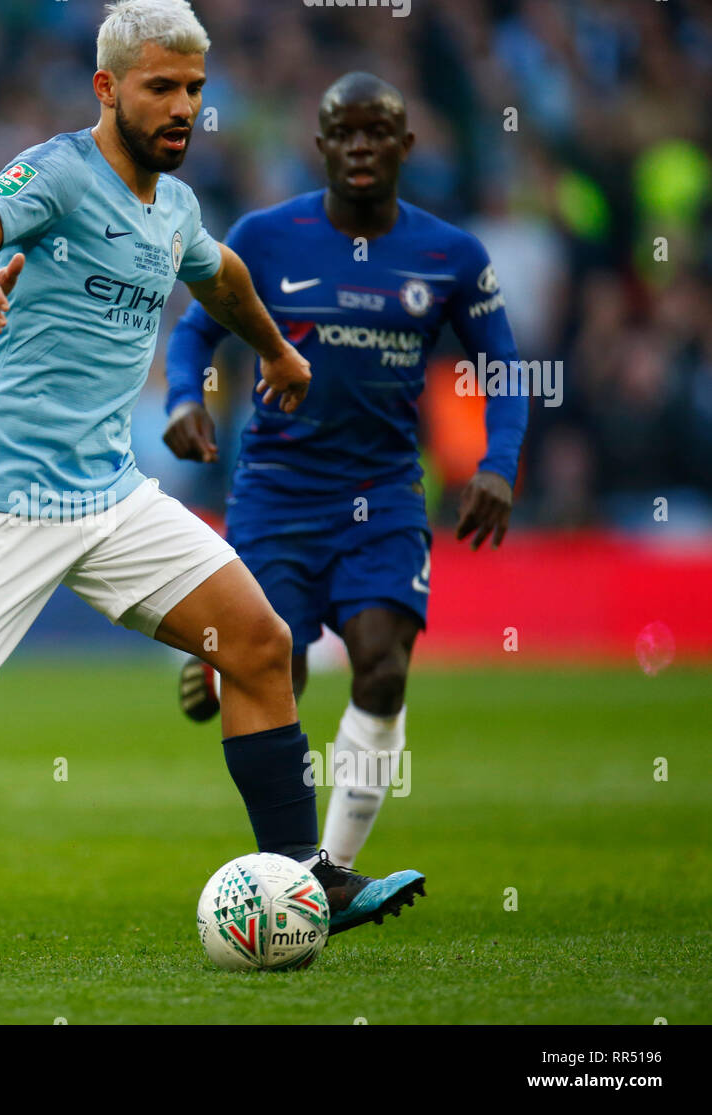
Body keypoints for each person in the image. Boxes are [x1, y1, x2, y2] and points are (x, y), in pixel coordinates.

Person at [0, 4, 424, 939]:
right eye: (161, 89)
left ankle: (308, 875)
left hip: (106, 493)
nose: (184, 108)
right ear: (107, 89)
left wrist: (274, 351)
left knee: (259, 646)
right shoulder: (59, 172)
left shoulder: (173, 205)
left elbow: (218, 274)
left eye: (194, 90)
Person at [164, 72, 528, 869]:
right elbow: (194, 333)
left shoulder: (451, 255)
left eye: (377, 132)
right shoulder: (264, 237)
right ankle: (223, 673)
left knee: (383, 664)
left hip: (387, 494)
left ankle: (324, 871)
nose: (360, 146)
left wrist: (498, 464)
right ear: (320, 146)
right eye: (344, 133)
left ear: (406, 146)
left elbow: (504, 366)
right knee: (277, 666)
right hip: (277, 490)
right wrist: (184, 400)